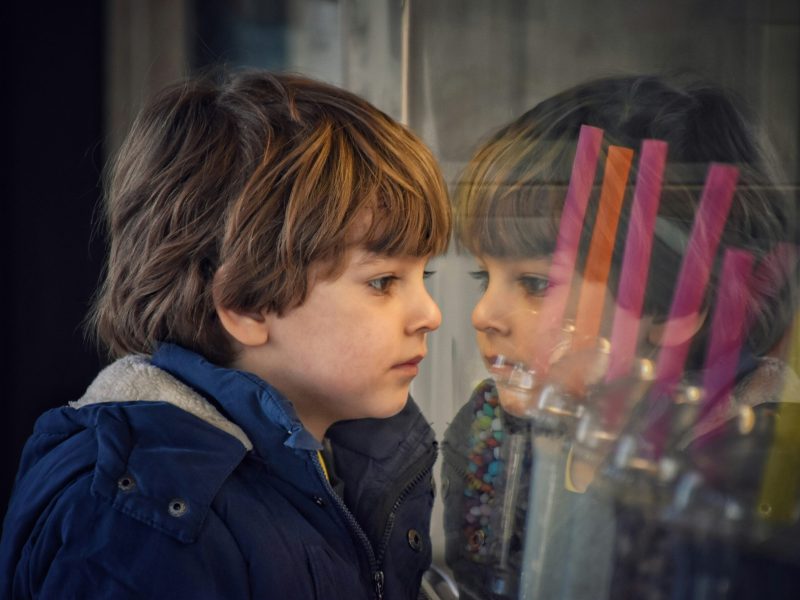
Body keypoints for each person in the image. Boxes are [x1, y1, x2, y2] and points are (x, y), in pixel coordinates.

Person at [0, 70, 451, 599]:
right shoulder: (143, 521)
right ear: (246, 303)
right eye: (383, 282)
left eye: (427, 276)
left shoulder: (341, 459)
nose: (430, 314)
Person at [441, 75, 798, 599]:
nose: (483, 314)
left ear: (676, 306)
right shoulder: (488, 429)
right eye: (482, 276)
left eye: (536, 283)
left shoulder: (756, 462)